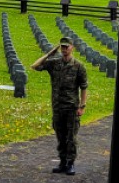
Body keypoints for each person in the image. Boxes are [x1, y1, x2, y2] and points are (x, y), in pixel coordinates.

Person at [32, 36, 88, 175]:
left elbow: (83, 87)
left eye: (66, 47)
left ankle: (70, 163)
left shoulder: (78, 66)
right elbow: (35, 66)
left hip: (71, 107)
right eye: (62, 47)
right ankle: (62, 162)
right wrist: (50, 53)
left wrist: (82, 106)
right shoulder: (54, 63)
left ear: (72, 48)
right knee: (60, 136)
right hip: (57, 107)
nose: (64, 49)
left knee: (71, 137)